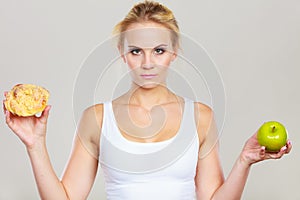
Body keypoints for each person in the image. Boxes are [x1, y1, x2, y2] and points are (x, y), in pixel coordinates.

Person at [4, 1, 292, 199]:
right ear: (121, 52)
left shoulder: (200, 116)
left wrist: (244, 161)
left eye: (158, 50)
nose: (147, 63)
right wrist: (35, 145)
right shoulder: (97, 118)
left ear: (174, 52)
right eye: (136, 51)